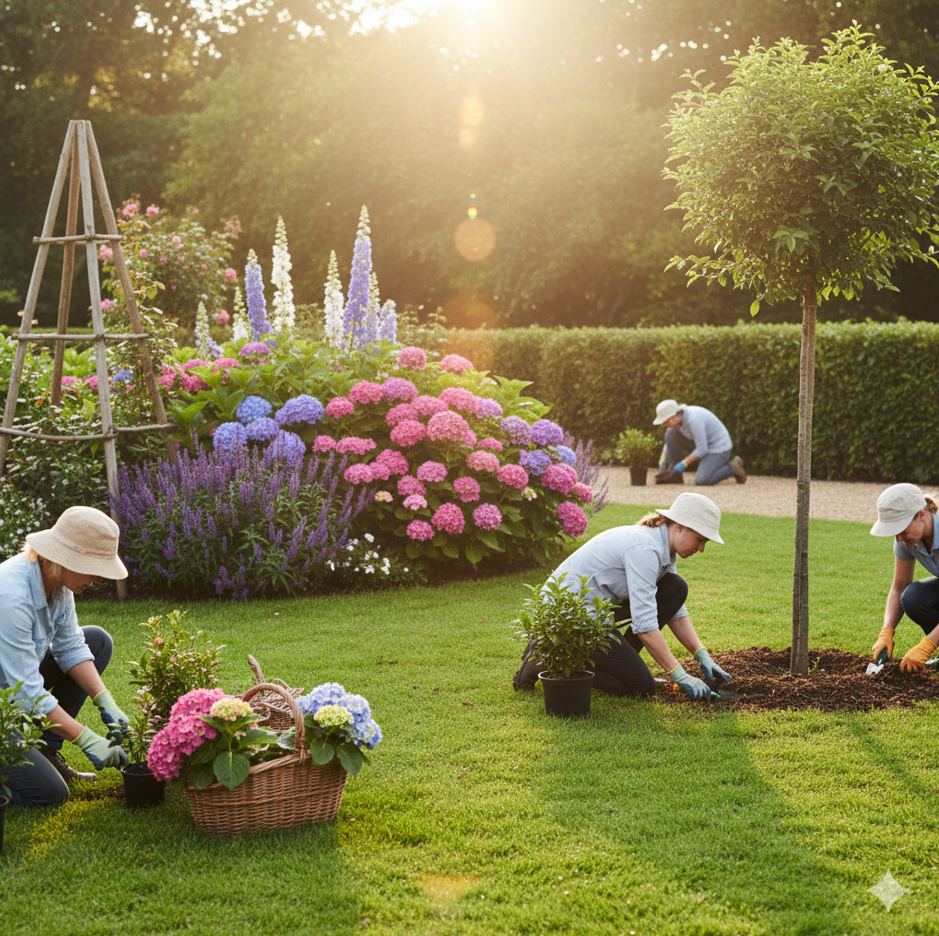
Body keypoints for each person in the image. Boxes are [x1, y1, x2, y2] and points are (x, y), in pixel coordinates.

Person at [513, 492, 732, 700]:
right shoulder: (646, 549)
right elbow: (645, 624)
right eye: (700, 539)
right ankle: (547, 660)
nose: (701, 549)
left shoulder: (663, 546)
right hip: (569, 618)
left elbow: (672, 605)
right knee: (641, 687)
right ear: (680, 526)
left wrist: (700, 653)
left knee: (676, 587)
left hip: (596, 613)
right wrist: (680, 675)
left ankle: (622, 664)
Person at [0, 506, 130, 807]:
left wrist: (105, 700)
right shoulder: (11, 597)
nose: (98, 579)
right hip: (9, 700)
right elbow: (27, 694)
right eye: (95, 568)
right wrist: (85, 738)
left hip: (11, 690)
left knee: (96, 641)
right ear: (68, 559)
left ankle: (45, 750)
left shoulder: (56, 582)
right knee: (49, 794)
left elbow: (70, 646)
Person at [869, 483, 939, 673]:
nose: (899, 538)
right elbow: (899, 587)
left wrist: (928, 645)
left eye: (901, 529)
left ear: (921, 515)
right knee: (913, 597)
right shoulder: (905, 540)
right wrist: (887, 631)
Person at [652, 399, 746, 486]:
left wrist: (683, 463)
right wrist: (663, 457)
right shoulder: (677, 422)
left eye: (666, 422)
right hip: (701, 444)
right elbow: (670, 440)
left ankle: (733, 467)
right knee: (670, 433)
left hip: (718, 448)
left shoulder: (693, 420)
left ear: (674, 416)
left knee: (702, 480)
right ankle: (675, 477)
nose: (665, 424)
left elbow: (702, 449)